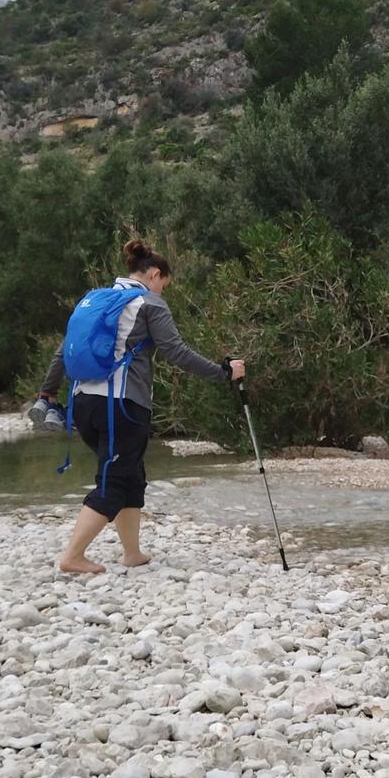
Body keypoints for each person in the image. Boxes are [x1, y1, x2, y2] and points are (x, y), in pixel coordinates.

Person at [56, 238, 245, 575]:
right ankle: (73, 555)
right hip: (122, 406)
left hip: (83, 402)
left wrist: (45, 394)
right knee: (113, 480)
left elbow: (63, 351)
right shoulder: (149, 304)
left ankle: (132, 553)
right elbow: (177, 352)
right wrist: (223, 373)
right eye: (164, 285)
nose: (163, 292)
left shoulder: (96, 299)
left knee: (131, 474)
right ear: (155, 274)